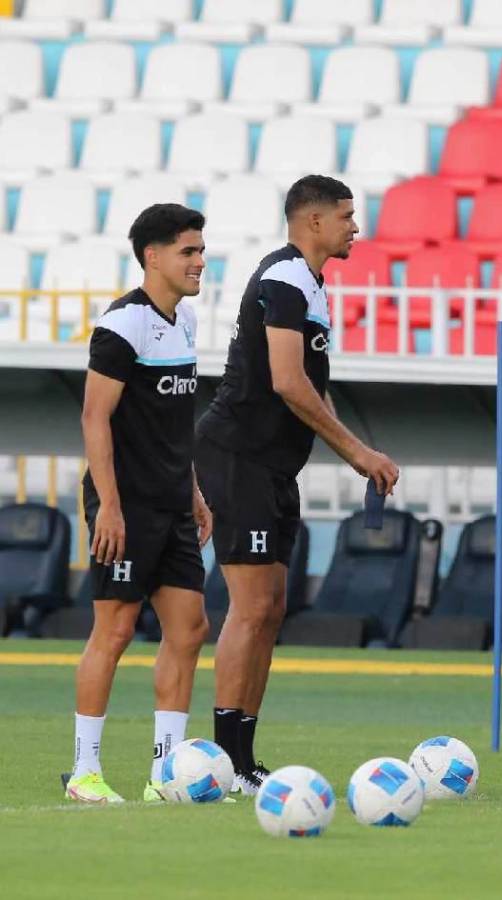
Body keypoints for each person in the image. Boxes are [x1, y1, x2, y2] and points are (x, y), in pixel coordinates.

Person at [194, 175, 399, 796]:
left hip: (273, 467)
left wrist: (346, 448)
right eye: (346, 216)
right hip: (239, 458)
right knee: (250, 609)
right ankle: (227, 763)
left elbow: (311, 383)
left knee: (271, 611)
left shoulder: (310, 284)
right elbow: (286, 381)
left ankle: (244, 760)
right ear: (312, 222)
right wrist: (358, 451)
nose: (354, 227)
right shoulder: (285, 276)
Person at [65, 204, 212, 804]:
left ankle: (165, 774)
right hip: (125, 507)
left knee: (190, 628)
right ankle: (85, 773)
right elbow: (94, 417)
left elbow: (176, 424)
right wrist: (110, 507)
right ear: (153, 256)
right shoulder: (123, 324)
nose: (200, 261)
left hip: (174, 503)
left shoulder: (186, 323)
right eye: (188, 251)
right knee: (116, 629)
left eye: (201, 251)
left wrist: (196, 492)